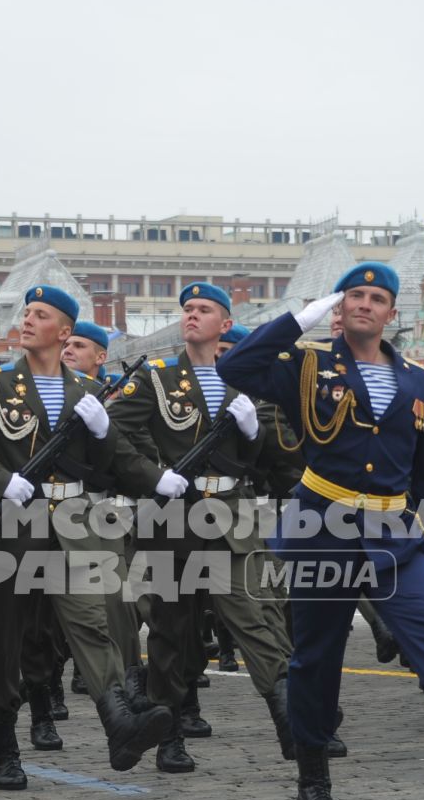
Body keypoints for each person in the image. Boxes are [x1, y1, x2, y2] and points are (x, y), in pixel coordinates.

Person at [220, 264, 424, 800]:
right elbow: (236, 364)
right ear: (341, 310)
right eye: (355, 296)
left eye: (377, 298)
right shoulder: (307, 365)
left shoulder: (419, 382)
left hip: (394, 532)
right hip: (323, 526)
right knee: (318, 657)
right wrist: (298, 320)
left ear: (393, 314)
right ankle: (314, 776)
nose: (365, 304)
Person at [0, 284, 177, 787]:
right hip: (13, 525)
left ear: (64, 331)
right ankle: (5, 746)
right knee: (7, 639)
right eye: (26, 312)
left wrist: (151, 474)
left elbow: (115, 459)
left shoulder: (88, 393)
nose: (27, 320)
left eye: (39, 314)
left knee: (90, 622)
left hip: (73, 523)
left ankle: (120, 726)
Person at [110, 281, 295, 772]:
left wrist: (254, 433)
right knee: (173, 633)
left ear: (225, 324)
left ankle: (290, 717)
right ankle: (170, 735)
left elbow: (271, 458)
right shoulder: (156, 377)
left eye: (204, 309)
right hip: (173, 516)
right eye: (187, 309)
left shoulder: (246, 382)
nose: (192, 315)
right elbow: (115, 434)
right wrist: (154, 475)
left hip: (231, 514)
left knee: (256, 616)